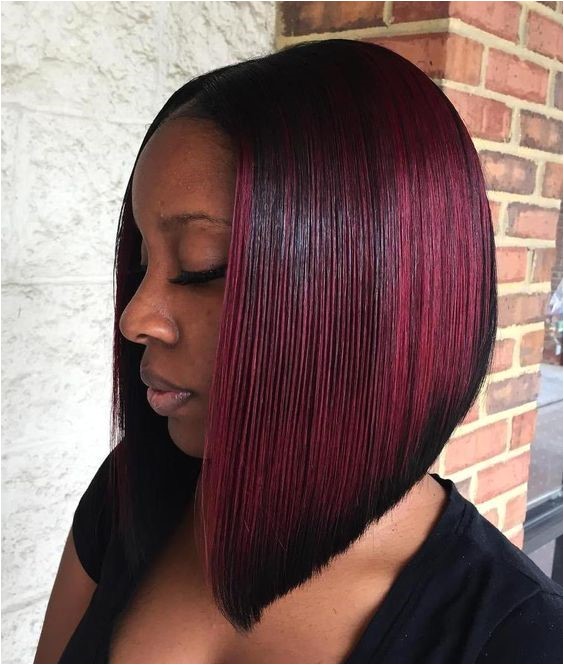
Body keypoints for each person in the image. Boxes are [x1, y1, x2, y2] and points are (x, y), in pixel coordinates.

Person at [34, 39, 562, 664]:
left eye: (202, 265)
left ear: (374, 293)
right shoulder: (132, 494)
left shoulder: (521, 642)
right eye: (143, 261)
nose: (135, 318)